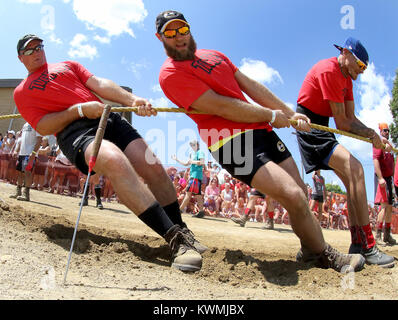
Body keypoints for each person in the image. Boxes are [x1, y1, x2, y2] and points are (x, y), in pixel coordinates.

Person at [155, 10, 366, 273]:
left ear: (189, 29)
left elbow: (251, 85)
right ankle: (326, 255)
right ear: (160, 38)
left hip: (261, 130)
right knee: (291, 194)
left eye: (182, 29)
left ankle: (311, 250)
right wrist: (270, 115)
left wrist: (289, 114)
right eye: (170, 33)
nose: (178, 37)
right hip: (228, 142)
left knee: (300, 192)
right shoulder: (170, 73)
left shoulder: (215, 55)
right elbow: (220, 106)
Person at [13, 34, 206, 272]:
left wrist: (132, 99)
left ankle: (183, 231)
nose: (37, 51)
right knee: (114, 159)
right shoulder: (22, 91)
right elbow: (42, 125)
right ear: (21, 57)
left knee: (153, 165)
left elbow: (99, 84)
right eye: (30, 50)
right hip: (75, 132)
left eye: (39, 46)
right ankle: (174, 240)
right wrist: (79, 110)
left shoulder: (67, 65)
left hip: (107, 117)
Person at [295, 37, 394, 267]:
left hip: (323, 127)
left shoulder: (347, 80)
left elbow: (351, 119)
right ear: (347, 53)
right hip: (311, 127)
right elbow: (342, 123)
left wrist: (376, 138)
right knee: (357, 170)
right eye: (360, 66)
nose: (361, 72)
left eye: (364, 68)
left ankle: (358, 244)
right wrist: (373, 136)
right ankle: (368, 246)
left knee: (353, 179)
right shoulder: (329, 70)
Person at [373, 123, 396, 245]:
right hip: (381, 178)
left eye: (388, 130)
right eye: (384, 130)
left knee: (390, 207)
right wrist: (380, 178)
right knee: (384, 206)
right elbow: (375, 160)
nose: (386, 132)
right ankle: (377, 235)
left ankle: (387, 235)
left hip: (389, 179)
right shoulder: (379, 143)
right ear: (380, 131)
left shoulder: (389, 147)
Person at [171, 139, 206, 218]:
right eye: (191, 145)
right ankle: (201, 212)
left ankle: (179, 210)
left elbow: (202, 162)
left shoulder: (200, 152)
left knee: (188, 193)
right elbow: (186, 163)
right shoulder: (192, 154)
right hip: (194, 176)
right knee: (198, 195)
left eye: (193, 144)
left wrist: (192, 162)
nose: (192, 146)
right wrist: (176, 159)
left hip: (195, 176)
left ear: (197, 144)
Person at [9, 122, 42, 201]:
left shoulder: (37, 123)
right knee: (20, 172)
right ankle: (18, 192)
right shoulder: (25, 125)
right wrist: (16, 150)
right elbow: (21, 140)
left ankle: (26, 194)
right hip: (22, 153)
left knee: (27, 172)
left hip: (30, 153)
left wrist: (33, 153)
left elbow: (39, 140)